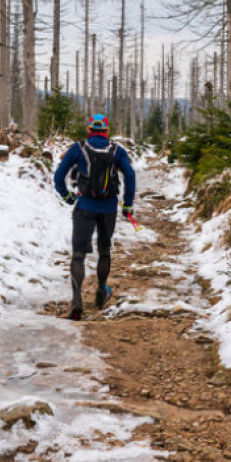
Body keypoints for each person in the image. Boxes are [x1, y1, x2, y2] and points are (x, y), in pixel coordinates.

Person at [53, 113, 137, 320]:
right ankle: (101, 291)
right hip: (108, 207)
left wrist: (66, 195)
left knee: (78, 254)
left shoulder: (78, 148)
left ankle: (76, 301)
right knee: (104, 250)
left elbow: (59, 175)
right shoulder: (117, 150)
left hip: (84, 207)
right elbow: (131, 175)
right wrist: (127, 204)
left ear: (89, 129)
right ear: (107, 131)